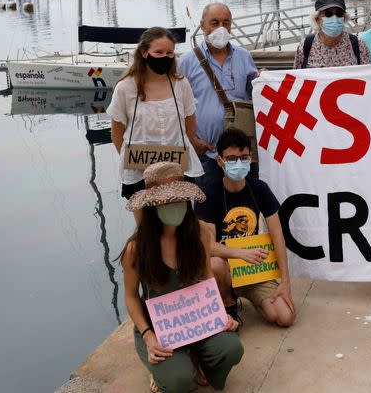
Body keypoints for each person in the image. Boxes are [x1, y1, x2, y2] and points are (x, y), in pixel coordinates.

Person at [120, 162, 243, 393]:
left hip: (196, 320)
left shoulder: (200, 234)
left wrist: (220, 314)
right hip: (157, 329)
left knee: (232, 348)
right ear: (152, 206)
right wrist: (148, 336)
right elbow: (130, 297)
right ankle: (163, 367)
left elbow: (207, 278)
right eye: (166, 201)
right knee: (178, 380)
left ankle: (197, 357)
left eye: (179, 199)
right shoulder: (136, 248)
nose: (175, 206)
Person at [195, 127, 295, 328]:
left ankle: (253, 297)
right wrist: (240, 253)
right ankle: (228, 304)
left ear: (250, 158)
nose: (238, 163)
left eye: (244, 157)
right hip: (225, 268)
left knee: (285, 317)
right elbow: (208, 246)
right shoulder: (207, 195)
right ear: (220, 161)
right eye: (231, 159)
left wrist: (285, 282)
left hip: (252, 270)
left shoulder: (260, 188)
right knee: (215, 264)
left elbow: (278, 236)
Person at [109, 27, 204, 206]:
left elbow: (190, 127)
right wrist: (135, 159)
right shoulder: (125, 87)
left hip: (177, 169)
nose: (165, 57)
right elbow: (116, 134)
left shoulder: (181, 84)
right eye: (158, 52)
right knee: (146, 230)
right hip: (139, 173)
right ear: (144, 53)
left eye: (169, 53)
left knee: (180, 227)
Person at [178, 3, 258, 192]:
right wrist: (192, 140)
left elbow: (255, 92)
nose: (220, 28)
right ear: (202, 25)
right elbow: (177, 106)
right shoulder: (187, 62)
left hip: (241, 153)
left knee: (246, 203)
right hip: (207, 153)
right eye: (214, 22)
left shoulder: (244, 57)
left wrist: (265, 80)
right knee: (208, 206)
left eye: (226, 22)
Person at [293, 0, 371, 69]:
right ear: (317, 20)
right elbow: (296, 78)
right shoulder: (305, 46)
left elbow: (370, 76)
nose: (334, 18)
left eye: (339, 14)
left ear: (344, 18)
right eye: (328, 14)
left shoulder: (358, 45)